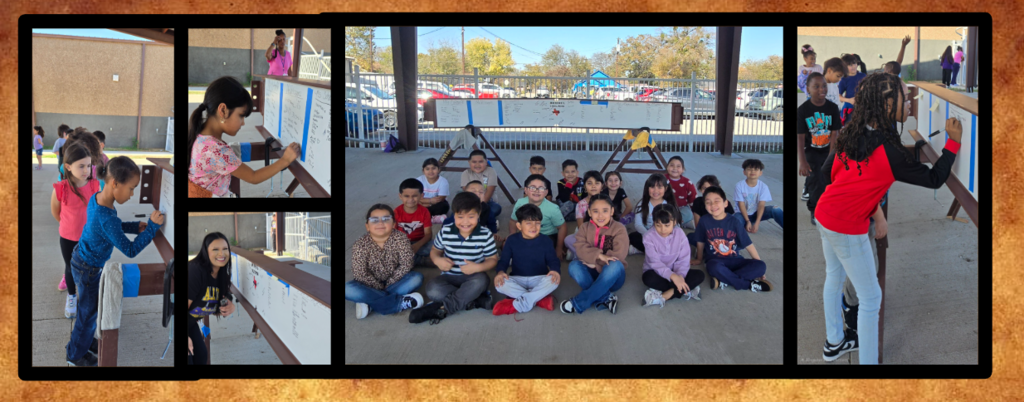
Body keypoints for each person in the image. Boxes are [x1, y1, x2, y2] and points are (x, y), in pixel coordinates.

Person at [812, 72, 962, 364]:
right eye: (905, 96)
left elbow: (829, 174)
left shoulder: (852, 131)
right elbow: (934, 179)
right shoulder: (890, 152)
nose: (910, 102)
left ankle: (833, 343)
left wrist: (872, 207)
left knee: (834, 276)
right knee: (870, 299)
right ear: (887, 103)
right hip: (845, 226)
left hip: (825, 214)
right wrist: (953, 144)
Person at [66, 156, 164, 366]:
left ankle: (83, 341)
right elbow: (129, 249)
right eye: (131, 188)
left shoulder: (98, 198)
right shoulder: (107, 216)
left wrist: (133, 226)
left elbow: (110, 229)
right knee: (87, 313)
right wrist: (153, 228)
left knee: (89, 311)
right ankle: (74, 356)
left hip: (81, 260)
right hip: (88, 270)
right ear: (115, 183)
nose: (132, 194)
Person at [187, 76, 300, 198]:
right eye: (241, 116)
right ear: (223, 110)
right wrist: (285, 160)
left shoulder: (201, 137)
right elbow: (253, 177)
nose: (243, 123)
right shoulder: (215, 150)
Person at [411, 192, 498, 325]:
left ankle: (442, 308)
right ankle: (474, 301)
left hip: (473, 277)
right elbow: (435, 251)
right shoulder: (445, 231)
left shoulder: (485, 235)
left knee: (481, 280)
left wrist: (478, 267)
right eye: (460, 217)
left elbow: (492, 259)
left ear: (478, 215)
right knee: (432, 289)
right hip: (449, 277)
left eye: (471, 217)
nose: (465, 222)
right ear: (454, 215)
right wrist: (437, 260)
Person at [345, 204, 425, 320]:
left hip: (396, 281)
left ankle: (370, 303)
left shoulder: (401, 238)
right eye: (374, 220)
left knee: (416, 278)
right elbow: (360, 273)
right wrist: (377, 286)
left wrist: (388, 284)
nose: (380, 223)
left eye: (386, 219)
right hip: (369, 284)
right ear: (367, 226)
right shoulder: (360, 244)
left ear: (393, 224)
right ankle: (397, 303)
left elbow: (406, 264)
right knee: (347, 288)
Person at [51, 140, 101, 319]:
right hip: (68, 238)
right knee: (71, 268)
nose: (86, 170)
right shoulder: (61, 188)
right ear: (68, 166)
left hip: (89, 238)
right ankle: (72, 297)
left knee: (90, 268)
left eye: (88, 165)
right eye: (81, 166)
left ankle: (87, 296)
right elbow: (55, 211)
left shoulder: (95, 186)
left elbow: (98, 210)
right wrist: (67, 225)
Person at [690, 186, 771, 293]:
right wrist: (699, 259)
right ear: (705, 206)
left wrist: (760, 268)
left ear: (725, 203)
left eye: (716, 201)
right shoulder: (704, 221)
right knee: (713, 267)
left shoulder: (734, 222)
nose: (712, 205)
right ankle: (747, 284)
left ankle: (724, 280)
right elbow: (700, 241)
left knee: (761, 266)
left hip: (736, 260)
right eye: (708, 202)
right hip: (716, 261)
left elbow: (748, 245)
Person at [560, 194, 628, 315]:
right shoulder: (585, 227)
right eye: (595, 211)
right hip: (591, 273)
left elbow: (619, 255)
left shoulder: (619, 228)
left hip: (612, 277)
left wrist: (595, 264)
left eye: (605, 211)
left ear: (612, 211)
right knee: (573, 266)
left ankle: (579, 303)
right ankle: (606, 297)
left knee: (615, 264)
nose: (600, 215)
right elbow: (580, 248)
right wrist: (599, 256)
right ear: (590, 212)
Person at [492, 204, 561, 315]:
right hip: (517, 279)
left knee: (554, 280)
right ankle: (538, 300)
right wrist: (500, 272)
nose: (533, 227)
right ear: (519, 226)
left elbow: (553, 260)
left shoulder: (546, 240)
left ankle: (515, 304)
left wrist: (555, 270)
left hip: (539, 279)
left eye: (537, 223)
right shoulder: (511, 240)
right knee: (500, 283)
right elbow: (503, 261)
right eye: (528, 223)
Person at [187, 232, 239, 365]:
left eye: (225, 249)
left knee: (201, 356)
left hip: (191, 323)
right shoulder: (195, 272)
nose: (221, 254)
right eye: (215, 249)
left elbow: (225, 294)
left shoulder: (222, 274)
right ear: (206, 251)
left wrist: (230, 304)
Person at [641, 204, 703, 308]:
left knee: (700, 275)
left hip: (677, 272)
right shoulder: (648, 237)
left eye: (667, 225)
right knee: (648, 278)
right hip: (657, 272)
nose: (662, 229)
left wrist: (679, 277)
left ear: (674, 222)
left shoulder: (680, 233)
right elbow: (655, 263)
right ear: (654, 222)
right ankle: (686, 289)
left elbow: (683, 260)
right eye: (658, 225)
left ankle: (664, 296)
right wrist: (673, 277)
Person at [798, 72, 841, 215]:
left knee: (829, 181)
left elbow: (835, 132)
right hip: (812, 152)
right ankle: (814, 210)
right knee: (815, 182)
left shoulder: (833, 108)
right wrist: (803, 161)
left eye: (823, 86)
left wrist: (832, 155)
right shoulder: (803, 110)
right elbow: (800, 137)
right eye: (816, 86)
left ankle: (828, 209)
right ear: (808, 89)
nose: (822, 89)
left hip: (829, 150)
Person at [508, 174, 568, 259]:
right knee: (506, 244)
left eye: (541, 188)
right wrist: (512, 236)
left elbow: (562, 227)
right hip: (526, 232)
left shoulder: (553, 208)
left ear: (546, 192)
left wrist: (559, 248)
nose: (536, 191)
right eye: (532, 187)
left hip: (547, 235)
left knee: (539, 249)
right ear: (526, 190)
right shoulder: (520, 203)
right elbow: (513, 221)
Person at [563, 170, 609, 260]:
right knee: (568, 239)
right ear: (584, 186)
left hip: (603, 235)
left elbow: (610, 224)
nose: (593, 186)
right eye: (589, 183)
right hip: (586, 235)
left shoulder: (607, 203)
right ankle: (590, 255)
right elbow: (581, 227)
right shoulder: (581, 204)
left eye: (597, 183)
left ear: (602, 186)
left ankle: (579, 254)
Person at [442, 180, 501, 247]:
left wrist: (494, 232)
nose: (478, 194)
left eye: (481, 192)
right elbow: (448, 222)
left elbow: (491, 221)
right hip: (461, 231)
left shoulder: (486, 208)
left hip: (478, 232)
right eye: (474, 191)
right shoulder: (460, 208)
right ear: (465, 194)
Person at [629, 173, 677, 254]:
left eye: (659, 187)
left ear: (666, 188)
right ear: (647, 188)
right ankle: (658, 251)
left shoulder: (669, 205)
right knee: (632, 236)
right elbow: (638, 224)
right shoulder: (642, 204)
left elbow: (676, 224)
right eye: (652, 187)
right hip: (648, 234)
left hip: (665, 234)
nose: (655, 190)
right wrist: (648, 235)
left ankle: (642, 251)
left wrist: (668, 236)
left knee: (677, 239)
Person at [734, 159, 783, 233]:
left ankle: (751, 223)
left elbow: (761, 205)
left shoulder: (763, 187)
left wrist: (757, 223)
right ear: (744, 172)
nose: (752, 171)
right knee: (735, 221)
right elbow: (741, 205)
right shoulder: (739, 186)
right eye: (749, 169)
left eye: (756, 169)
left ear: (760, 173)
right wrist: (747, 221)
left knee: (776, 209)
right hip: (741, 214)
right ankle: (746, 224)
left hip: (756, 213)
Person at [395, 178, 434, 267]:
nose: (411, 199)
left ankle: (411, 260)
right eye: (406, 196)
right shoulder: (396, 212)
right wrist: (403, 244)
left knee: (437, 247)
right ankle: (419, 260)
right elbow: (392, 234)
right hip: (402, 244)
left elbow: (428, 234)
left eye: (414, 196)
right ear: (400, 196)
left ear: (421, 196)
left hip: (420, 243)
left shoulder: (424, 211)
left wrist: (417, 246)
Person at [689, 175, 735, 247]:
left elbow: (731, 223)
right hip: (705, 233)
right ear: (700, 189)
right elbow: (697, 225)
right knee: (690, 237)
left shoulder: (724, 203)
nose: (708, 191)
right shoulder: (698, 202)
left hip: (723, 235)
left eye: (711, 187)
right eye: (704, 188)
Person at [460, 150, 502, 229]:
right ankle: (483, 222)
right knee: (457, 209)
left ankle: (476, 220)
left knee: (496, 208)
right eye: (474, 162)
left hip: (487, 202)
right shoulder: (465, 173)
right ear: (469, 162)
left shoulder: (491, 171)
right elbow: (466, 193)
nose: (477, 165)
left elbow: (489, 191)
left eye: (480, 162)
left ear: (486, 162)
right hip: (470, 202)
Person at [665, 156, 697, 229]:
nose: (675, 168)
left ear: (683, 169)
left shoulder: (687, 182)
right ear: (667, 167)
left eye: (678, 166)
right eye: (672, 165)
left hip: (682, 208)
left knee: (688, 214)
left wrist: (694, 211)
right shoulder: (663, 179)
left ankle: (673, 224)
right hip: (666, 207)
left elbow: (693, 198)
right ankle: (681, 224)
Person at [417, 158, 450, 224]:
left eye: (434, 168)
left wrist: (425, 203)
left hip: (435, 204)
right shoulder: (419, 180)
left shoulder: (443, 181)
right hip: (424, 203)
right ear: (423, 171)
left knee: (444, 206)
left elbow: (441, 199)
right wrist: (430, 201)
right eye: (427, 169)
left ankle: (423, 217)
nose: (431, 171)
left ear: (439, 170)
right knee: (410, 203)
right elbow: (415, 197)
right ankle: (432, 218)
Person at [838, 53, 868, 125]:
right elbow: (838, 96)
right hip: (850, 111)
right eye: (850, 65)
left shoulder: (863, 76)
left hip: (863, 109)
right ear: (844, 67)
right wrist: (849, 100)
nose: (853, 66)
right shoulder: (843, 80)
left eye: (854, 63)